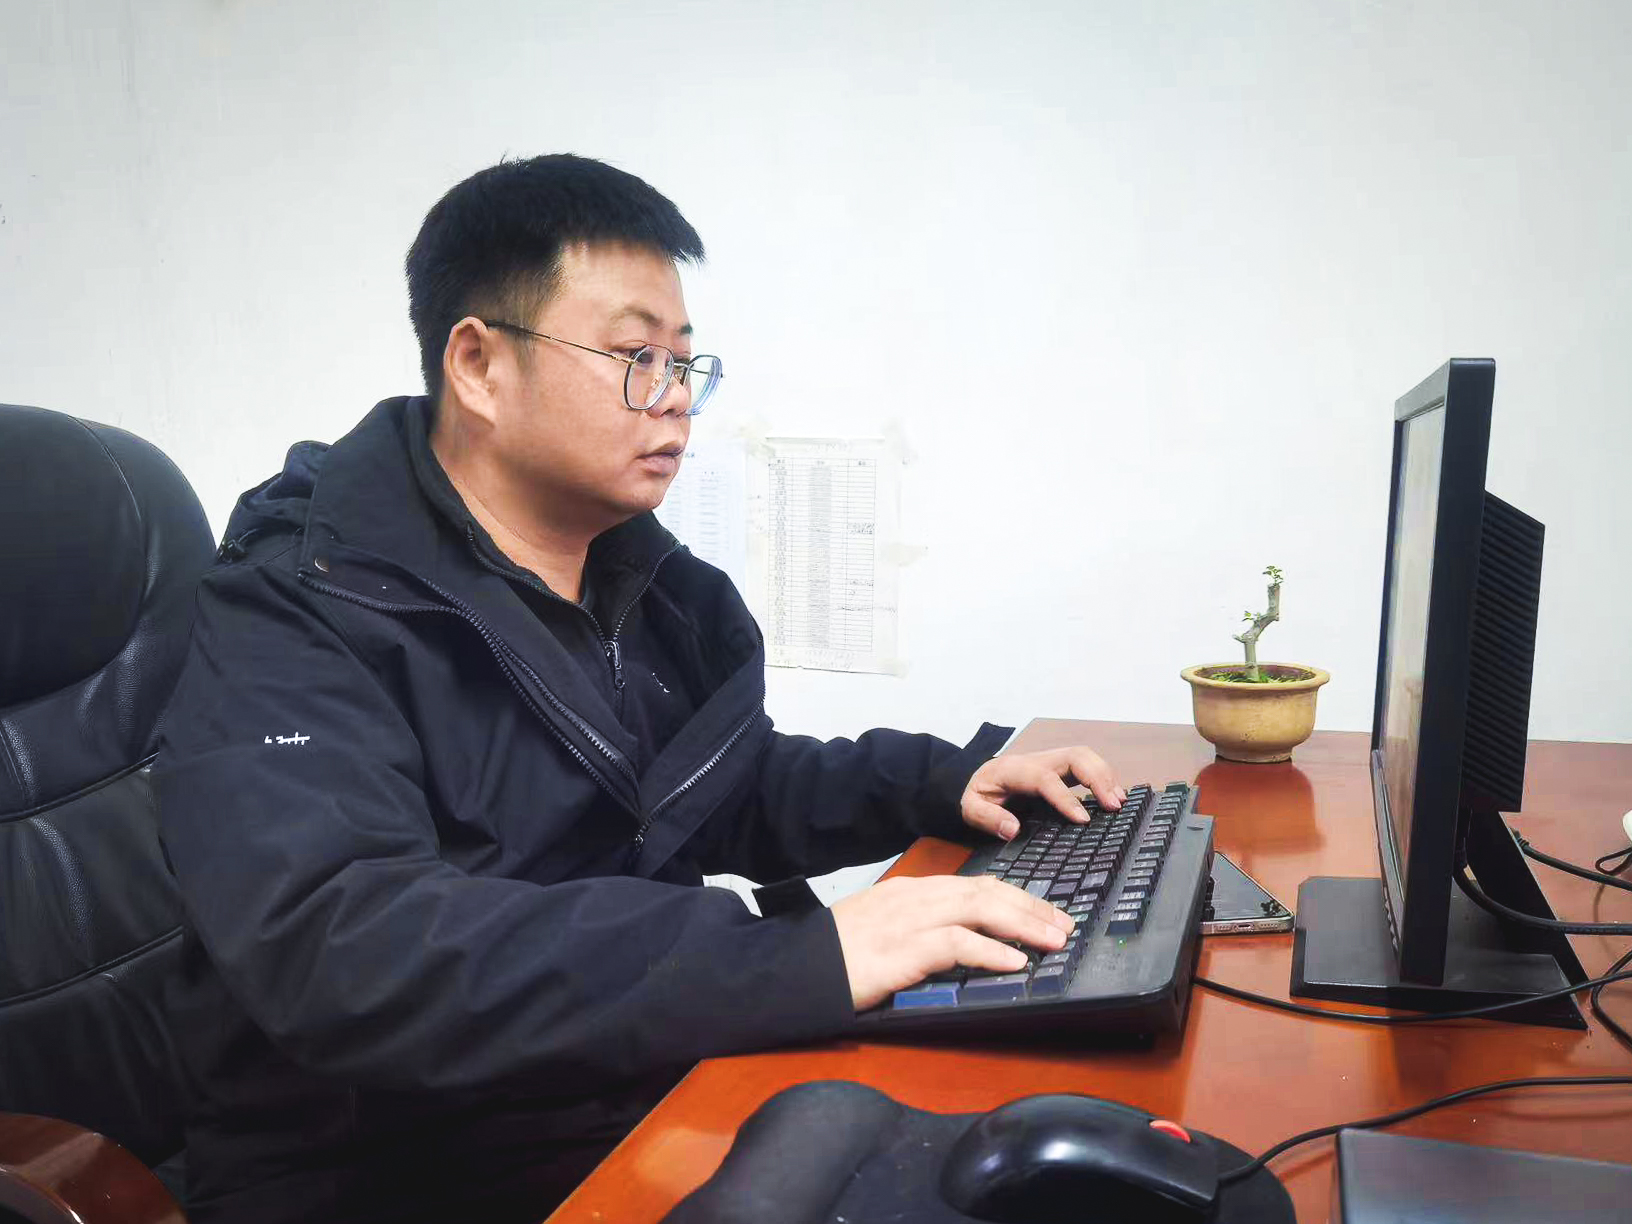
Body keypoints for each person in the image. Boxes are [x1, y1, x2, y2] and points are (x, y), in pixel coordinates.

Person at [155, 153, 1125, 1224]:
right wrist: (798, 959)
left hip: (618, 1085)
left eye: (683, 363)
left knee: (1027, 1141)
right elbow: (348, 949)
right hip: (397, 1165)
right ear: (478, 365)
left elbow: (712, 789)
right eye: (633, 358)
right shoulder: (297, 605)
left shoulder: (634, 577)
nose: (673, 402)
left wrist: (943, 784)